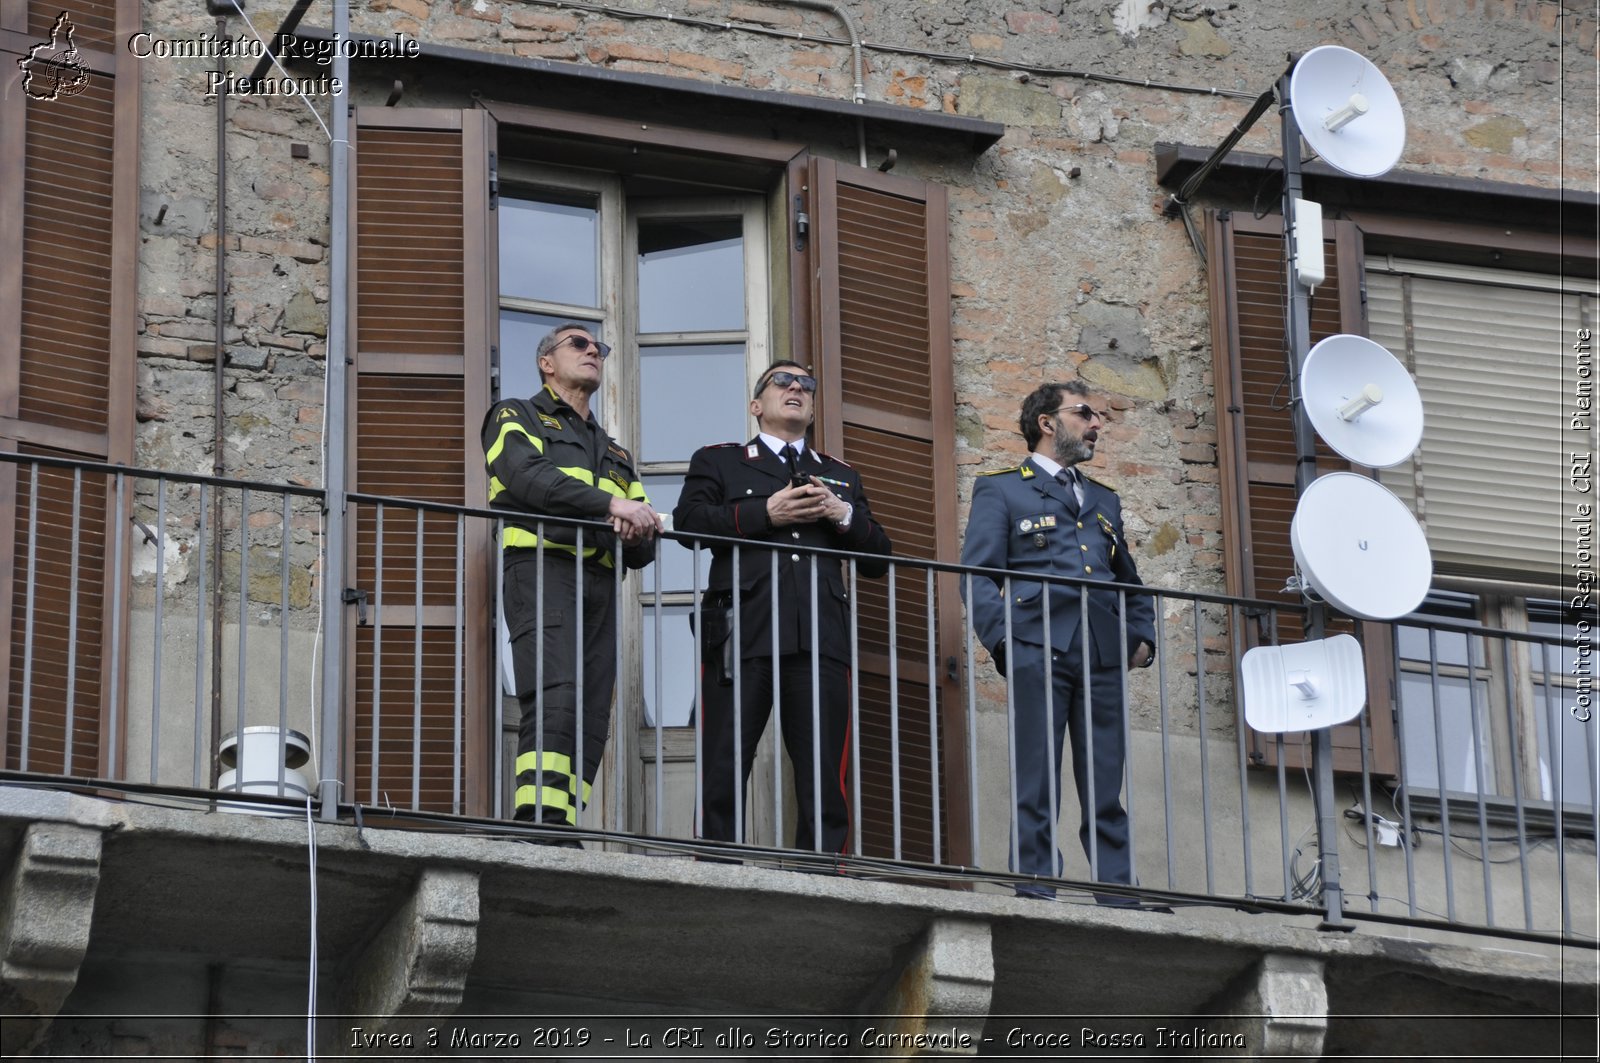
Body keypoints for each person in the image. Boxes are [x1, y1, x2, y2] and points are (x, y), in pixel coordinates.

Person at [673, 360, 893, 854]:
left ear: (812, 406)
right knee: (724, 761)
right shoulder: (721, 461)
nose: (796, 387)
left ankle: (822, 875)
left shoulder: (839, 475)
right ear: (756, 405)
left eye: (806, 384)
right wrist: (763, 513)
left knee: (823, 769)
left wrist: (842, 514)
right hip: (741, 633)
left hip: (819, 637)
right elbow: (688, 525)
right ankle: (714, 866)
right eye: (782, 381)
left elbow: (879, 557)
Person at [961, 381, 1156, 900]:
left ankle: (1119, 894)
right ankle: (1036, 887)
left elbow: (1129, 580)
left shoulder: (1102, 499)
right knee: (1036, 778)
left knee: (1105, 784)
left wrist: (1142, 638)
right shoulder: (1002, 488)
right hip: (1036, 645)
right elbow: (978, 575)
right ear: (1048, 424)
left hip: (1101, 650)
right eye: (1085, 413)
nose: (1096, 425)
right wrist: (1003, 642)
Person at [482, 323, 663, 840]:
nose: (594, 352)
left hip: (601, 581)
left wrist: (638, 529)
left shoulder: (615, 452)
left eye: (599, 348)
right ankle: (536, 821)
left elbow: (645, 540)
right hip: (541, 568)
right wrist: (612, 506)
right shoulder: (516, 415)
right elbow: (524, 477)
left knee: (589, 712)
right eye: (579, 345)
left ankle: (561, 819)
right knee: (556, 692)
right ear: (546, 362)